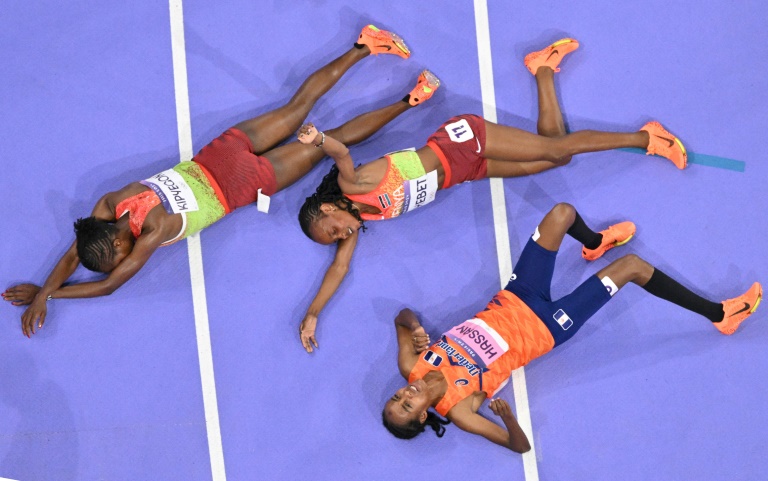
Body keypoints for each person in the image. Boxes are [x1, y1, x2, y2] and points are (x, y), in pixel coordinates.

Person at [3, 25, 439, 337]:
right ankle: (364, 45)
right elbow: (77, 252)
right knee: (298, 105)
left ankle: (409, 100)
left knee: (334, 140)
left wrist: (49, 295)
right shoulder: (110, 203)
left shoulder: (153, 232)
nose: (124, 259)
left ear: (119, 245)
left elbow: (108, 285)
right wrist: (45, 290)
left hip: (245, 182)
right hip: (222, 152)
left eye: (119, 256)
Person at [293, 37, 689, 353]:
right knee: (556, 156)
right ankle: (543, 68)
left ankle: (646, 137)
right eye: (336, 239)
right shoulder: (360, 221)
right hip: (467, 171)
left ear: (328, 208)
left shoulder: (351, 185)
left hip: (459, 142)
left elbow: (342, 152)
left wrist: (319, 139)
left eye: (332, 230)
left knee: (555, 150)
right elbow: (338, 269)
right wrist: (312, 314)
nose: (341, 236)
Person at [382, 202, 762, 451]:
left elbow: (401, 315)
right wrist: (508, 419)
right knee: (633, 266)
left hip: (515, 296)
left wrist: (413, 324)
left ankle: (594, 242)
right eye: (407, 405)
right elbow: (520, 447)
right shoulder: (461, 412)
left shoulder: (411, 364)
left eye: (396, 397)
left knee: (561, 213)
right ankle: (720, 315)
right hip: (547, 327)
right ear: (421, 415)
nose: (405, 395)